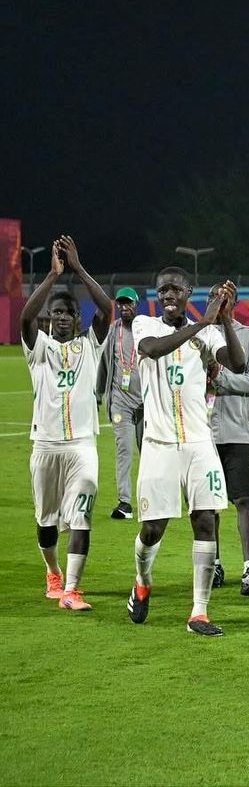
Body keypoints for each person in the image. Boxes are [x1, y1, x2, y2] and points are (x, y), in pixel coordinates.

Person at [127, 269, 246, 636]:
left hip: (198, 442)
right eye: (163, 289)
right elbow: (152, 350)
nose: (168, 294)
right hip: (159, 444)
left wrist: (223, 320)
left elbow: (239, 364)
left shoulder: (208, 332)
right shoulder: (145, 325)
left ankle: (199, 612)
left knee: (206, 519)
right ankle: (142, 580)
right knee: (153, 528)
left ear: (188, 292)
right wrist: (202, 323)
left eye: (175, 289)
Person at [22, 236, 111, 611]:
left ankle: (73, 590)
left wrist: (77, 269)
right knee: (46, 522)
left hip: (82, 446)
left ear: (77, 319)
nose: (60, 317)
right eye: (55, 312)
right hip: (45, 447)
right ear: (50, 319)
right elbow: (25, 317)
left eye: (67, 313)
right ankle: (53, 572)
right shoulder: (39, 348)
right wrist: (52, 277)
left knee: (82, 513)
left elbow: (106, 309)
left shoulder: (91, 345)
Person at [206, 284, 249, 596]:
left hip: (239, 433)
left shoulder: (248, 336)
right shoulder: (197, 334)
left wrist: (220, 378)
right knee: (209, 506)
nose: (219, 303)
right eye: (214, 298)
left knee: (244, 499)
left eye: (226, 299)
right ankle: (213, 564)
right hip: (202, 435)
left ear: (235, 303)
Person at [98, 286, 143, 520]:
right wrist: (98, 394)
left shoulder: (148, 328)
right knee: (124, 450)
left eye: (129, 304)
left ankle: (152, 498)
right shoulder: (113, 331)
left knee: (150, 452)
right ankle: (124, 502)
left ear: (137, 305)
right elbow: (104, 365)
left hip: (146, 405)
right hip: (120, 403)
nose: (125, 308)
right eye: (121, 304)